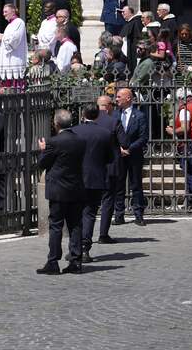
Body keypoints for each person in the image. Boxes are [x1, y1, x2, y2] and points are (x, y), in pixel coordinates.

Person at [36, 109, 86, 275]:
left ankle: (53, 261)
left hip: (58, 190)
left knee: (56, 225)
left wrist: (43, 150)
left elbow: (43, 163)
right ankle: (76, 260)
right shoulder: (80, 140)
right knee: (75, 225)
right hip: (76, 188)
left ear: (56, 123)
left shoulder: (53, 142)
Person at [75, 103, 115, 263]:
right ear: (97, 115)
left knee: (76, 214)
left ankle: (75, 247)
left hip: (77, 178)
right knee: (90, 214)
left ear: (83, 114)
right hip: (96, 177)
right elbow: (111, 158)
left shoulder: (75, 131)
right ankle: (85, 248)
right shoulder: (105, 134)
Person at [112, 87, 148, 226]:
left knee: (136, 185)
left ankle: (138, 214)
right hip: (118, 156)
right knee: (118, 186)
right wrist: (119, 149)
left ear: (128, 98)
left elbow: (143, 137)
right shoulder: (115, 115)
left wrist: (129, 149)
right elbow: (111, 134)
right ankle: (119, 214)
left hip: (134, 156)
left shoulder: (139, 116)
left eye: (119, 96)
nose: (116, 99)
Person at [94, 95, 127, 244]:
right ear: (107, 106)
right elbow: (125, 142)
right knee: (108, 201)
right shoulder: (114, 121)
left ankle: (85, 237)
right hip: (110, 167)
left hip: (92, 167)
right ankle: (103, 234)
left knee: (90, 205)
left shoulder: (89, 121)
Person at [166, 88, 192, 208]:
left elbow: (185, 128)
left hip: (189, 144)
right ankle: (190, 202)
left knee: (191, 174)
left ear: (180, 99)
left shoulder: (185, 109)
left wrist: (172, 131)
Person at [0, 3, 27, 80]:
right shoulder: (10, 25)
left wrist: (3, 37)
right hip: (8, 60)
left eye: (6, 12)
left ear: (13, 11)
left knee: (15, 85)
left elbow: (15, 40)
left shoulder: (19, 22)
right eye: (3, 12)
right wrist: (1, 38)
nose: (4, 14)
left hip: (15, 59)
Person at [120, 5, 142, 71]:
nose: (122, 13)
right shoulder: (129, 23)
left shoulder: (136, 22)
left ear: (130, 12)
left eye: (124, 12)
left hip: (134, 50)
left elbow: (138, 36)